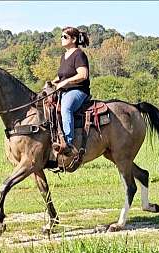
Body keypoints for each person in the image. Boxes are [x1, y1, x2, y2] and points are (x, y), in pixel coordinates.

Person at [50, 27, 91, 156]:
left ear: (73, 39)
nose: (62, 39)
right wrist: (52, 82)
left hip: (78, 90)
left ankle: (68, 143)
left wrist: (66, 82)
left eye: (65, 37)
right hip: (64, 91)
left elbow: (83, 74)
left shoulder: (79, 54)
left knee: (66, 108)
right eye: (61, 37)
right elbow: (62, 75)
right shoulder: (64, 56)